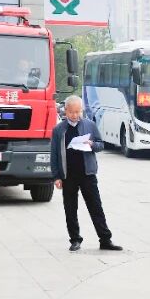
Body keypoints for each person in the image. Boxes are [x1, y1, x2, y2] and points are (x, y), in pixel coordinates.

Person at [51, 95, 121, 253]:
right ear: (65, 111)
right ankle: (75, 239)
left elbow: (101, 145)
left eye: (78, 112)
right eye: (71, 112)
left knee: (96, 207)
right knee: (70, 209)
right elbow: (54, 154)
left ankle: (105, 239)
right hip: (68, 175)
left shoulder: (90, 125)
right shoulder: (59, 130)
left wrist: (92, 144)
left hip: (87, 174)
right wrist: (56, 176)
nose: (75, 115)